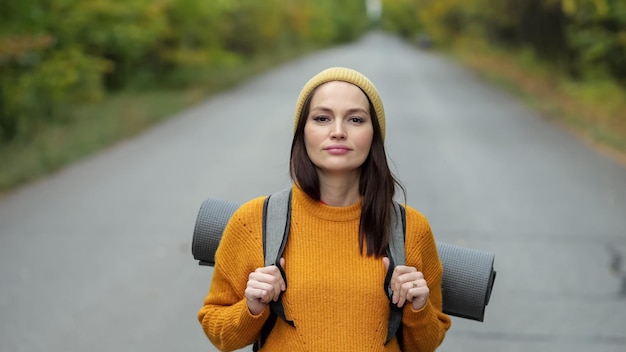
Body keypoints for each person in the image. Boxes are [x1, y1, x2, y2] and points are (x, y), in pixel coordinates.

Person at [198, 67, 451, 351]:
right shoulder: (253, 221)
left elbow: (427, 344)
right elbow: (218, 332)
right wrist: (253, 307)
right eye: (322, 118)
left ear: (374, 134)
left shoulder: (410, 230)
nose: (338, 132)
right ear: (303, 131)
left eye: (356, 119)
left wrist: (417, 307)